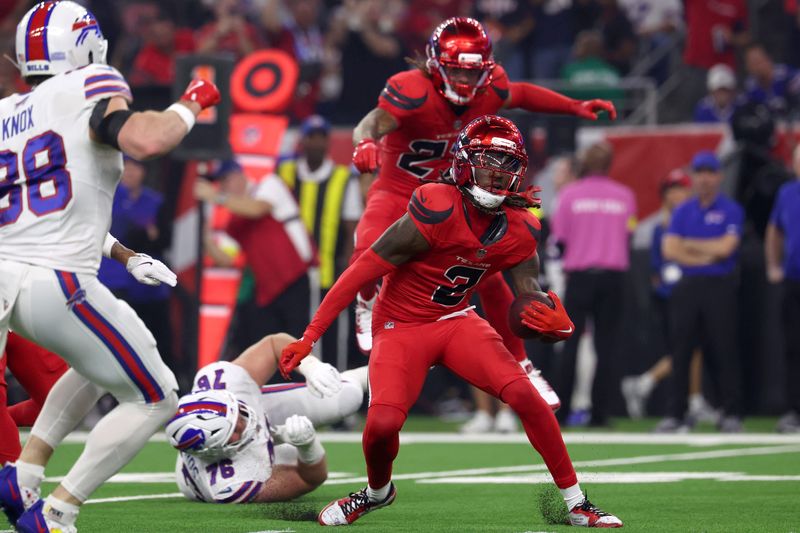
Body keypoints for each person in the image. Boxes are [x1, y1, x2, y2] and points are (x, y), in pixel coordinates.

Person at [280, 116, 622, 528]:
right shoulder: (436, 206)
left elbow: (528, 301)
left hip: (456, 319)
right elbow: (361, 271)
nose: (497, 175)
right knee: (383, 424)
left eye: (507, 165)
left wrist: (554, 325)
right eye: (488, 163)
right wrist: (310, 336)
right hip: (400, 325)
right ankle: (376, 493)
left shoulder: (521, 228)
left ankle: (576, 502)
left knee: (526, 397)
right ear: (463, 163)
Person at [0, 3, 220, 532]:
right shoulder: (88, 84)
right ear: (85, 47)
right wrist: (192, 103)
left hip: (9, 277)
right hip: (58, 281)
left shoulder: (7, 112)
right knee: (157, 396)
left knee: (98, 364)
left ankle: (23, 476)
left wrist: (124, 254)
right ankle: (59, 510)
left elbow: (48, 205)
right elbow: (147, 139)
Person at [349, 16, 615, 408]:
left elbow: (521, 93)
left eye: (472, 72)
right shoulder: (411, 89)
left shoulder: (490, 87)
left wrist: (574, 105)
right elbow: (370, 122)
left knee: (491, 279)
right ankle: (367, 301)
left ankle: (523, 364)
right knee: (367, 246)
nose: (464, 80)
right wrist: (363, 143)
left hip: (450, 194)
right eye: (456, 69)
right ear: (436, 64)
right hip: (398, 188)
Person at [1, 238, 177, 465]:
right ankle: (18, 484)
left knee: (59, 404)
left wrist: (130, 257)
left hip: (21, 307)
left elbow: (76, 221)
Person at [166, 332, 368, 503]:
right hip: (241, 461)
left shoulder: (223, 382)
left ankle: (375, 373)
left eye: (237, 415)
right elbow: (307, 479)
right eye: (234, 431)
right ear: (215, 452)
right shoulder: (230, 483)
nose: (243, 425)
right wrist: (308, 446)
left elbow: (274, 344)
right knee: (291, 455)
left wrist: (310, 366)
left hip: (241, 418)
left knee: (345, 396)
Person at [551, 141, 637, 427]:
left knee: (571, 344)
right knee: (606, 346)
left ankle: (562, 412)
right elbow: (629, 236)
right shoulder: (625, 196)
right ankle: (600, 413)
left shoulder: (570, 195)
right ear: (610, 164)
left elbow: (559, 240)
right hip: (613, 278)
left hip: (580, 277)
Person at [658, 151, 744, 433]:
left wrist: (689, 245)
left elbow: (726, 248)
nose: (705, 178)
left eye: (710, 172)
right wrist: (706, 252)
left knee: (724, 348)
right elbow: (670, 249)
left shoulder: (731, 209)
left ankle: (729, 412)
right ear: (694, 177)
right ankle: (676, 414)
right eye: (700, 173)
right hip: (689, 285)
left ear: (718, 176)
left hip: (719, 286)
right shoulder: (683, 210)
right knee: (680, 349)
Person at [620, 168, 716, 422]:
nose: (678, 195)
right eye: (673, 190)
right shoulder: (661, 228)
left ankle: (689, 398)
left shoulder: (693, 221)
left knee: (694, 348)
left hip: (696, 291)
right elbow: (658, 270)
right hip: (671, 296)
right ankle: (646, 383)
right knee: (686, 348)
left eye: (682, 189)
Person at [194, 160, 316, 342]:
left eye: (226, 180)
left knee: (298, 345)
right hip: (266, 291)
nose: (224, 186)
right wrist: (204, 238)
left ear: (239, 175)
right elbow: (226, 259)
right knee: (267, 348)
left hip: (295, 280)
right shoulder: (235, 218)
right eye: (220, 182)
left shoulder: (268, 184)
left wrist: (217, 197)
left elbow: (258, 209)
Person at [277, 115, 362, 367]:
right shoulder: (285, 172)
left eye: (320, 137)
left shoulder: (342, 177)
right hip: (289, 270)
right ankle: (294, 385)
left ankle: (334, 387)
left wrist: (347, 265)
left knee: (330, 334)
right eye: (310, 137)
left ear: (328, 143)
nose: (315, 143)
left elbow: (351, 225)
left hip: (327, 269)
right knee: (291, 330)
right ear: (301, 141)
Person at [765, 146, 800, 433]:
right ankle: (794, 411)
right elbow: (774, 231)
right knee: (793, 348)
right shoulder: (787, 192)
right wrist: (772, 265)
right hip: (794, 280)